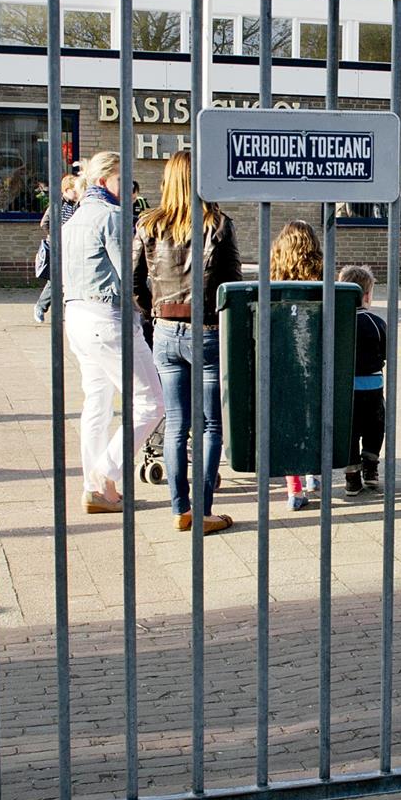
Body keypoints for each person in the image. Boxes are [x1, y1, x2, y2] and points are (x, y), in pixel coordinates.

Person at [132, 151, 240, 535]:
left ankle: (180, 508)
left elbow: (135, 284)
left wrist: (156, 313)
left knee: (177, 424)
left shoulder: (149, 225)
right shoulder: (219, 225)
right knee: (211, 426)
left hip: (164, 330)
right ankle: (203, 508)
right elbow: (232, 287)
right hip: (207, 331)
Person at [64, 150, 165, 514]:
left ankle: (94, 486)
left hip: (76, 315)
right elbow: (133, 276)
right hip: (108, 317)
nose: (132, 191)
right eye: (125, 181)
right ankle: (106, 474)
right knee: (152, 401)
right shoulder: (113, 216)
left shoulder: (74, 219)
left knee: (97, 402)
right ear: (105, 180)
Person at [271, 220, 326, 511]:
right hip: (314, 357)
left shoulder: (275, 280)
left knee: (288, 422)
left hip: (283, 359)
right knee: (311, 415)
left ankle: (294, 490)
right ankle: (311, 473)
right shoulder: (322, 278)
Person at [341, 264, 388, 495]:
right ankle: (371, 466)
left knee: (349, 431)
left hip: (345, 388)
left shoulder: (338, 322)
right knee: (375, 427)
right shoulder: (376, 322)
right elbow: (386, 351)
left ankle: (352, 477)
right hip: (373, 386)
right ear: (367, 295)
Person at [33, 174, 82, 324]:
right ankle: (41, 307)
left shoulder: (79, 205)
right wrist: (57, 238)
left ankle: (70, 310)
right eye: (75, 190)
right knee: (57, 279)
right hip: (59, 247)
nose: (78, 193)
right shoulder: (57, 204)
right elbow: (45, 223)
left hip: (75, 246)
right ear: (67, 190)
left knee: (71, 278)